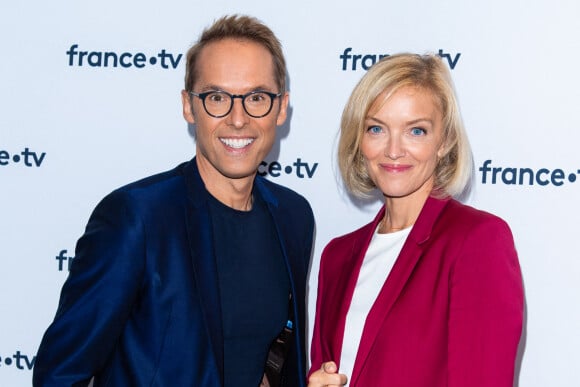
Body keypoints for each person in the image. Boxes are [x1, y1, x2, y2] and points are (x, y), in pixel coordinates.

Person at [33, 15, 314, 387]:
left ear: (281, 108)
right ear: (188, 106)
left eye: (257, 98)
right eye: (217, 98)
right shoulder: (136, 217)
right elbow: (60, 374)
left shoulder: (293, 216)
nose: (238, 118)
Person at [308, 53, 524, 387]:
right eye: (377, 128)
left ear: (445, 141)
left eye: (416, 131)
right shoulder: (337, 256)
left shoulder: (477, 241)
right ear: (359, 139)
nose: (394, 150)